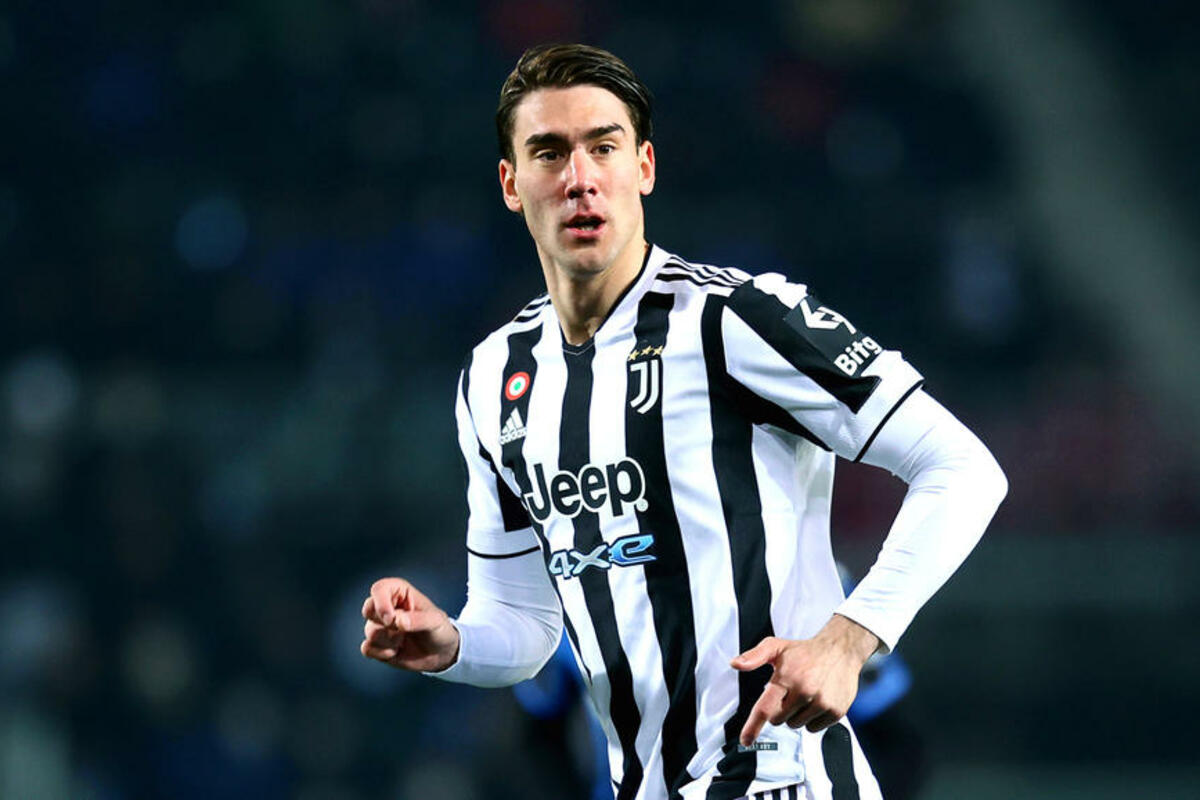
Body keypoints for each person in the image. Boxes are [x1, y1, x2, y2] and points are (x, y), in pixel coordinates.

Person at [360, 43, 1007, 800]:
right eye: (550, 152)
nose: (579, 178)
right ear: (511, 182)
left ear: (644, 167)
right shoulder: (494, 377)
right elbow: (524, 627)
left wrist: (848, 639)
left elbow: (965, 470)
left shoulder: (736, 319)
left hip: (781, 781)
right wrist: (451, 644)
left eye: (604, 147)